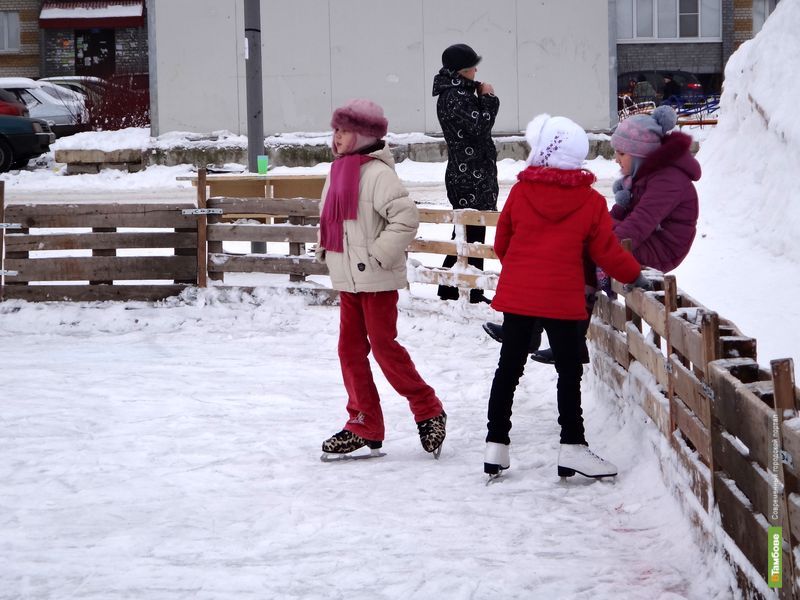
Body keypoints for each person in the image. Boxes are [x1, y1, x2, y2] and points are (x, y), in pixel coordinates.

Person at [483, 114, 649, 480]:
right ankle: (572, 446)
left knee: (508, 368)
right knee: (568, 371)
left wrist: (525, 274)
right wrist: (634, 275)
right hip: (563, 299)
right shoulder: (589, 202)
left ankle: (496, 445)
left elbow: (502, 244)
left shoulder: (521, 193)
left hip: (519, 296)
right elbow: (606, 251)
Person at [483, 105, 701, 364]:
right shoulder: (645, 175)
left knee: (582, 255)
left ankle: (562, 340)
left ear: (641, 154)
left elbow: (639, 225)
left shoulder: (667, 180)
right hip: (644, 238)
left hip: (662, 246)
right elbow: (618, 216)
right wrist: (591, 231)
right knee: (576, 251)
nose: (617, 160)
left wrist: (594, 239)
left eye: (621, 153)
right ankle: (553, 337)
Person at [316, 99, 447, 460]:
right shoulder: (337, 171)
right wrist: (324, 250)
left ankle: (428, 409)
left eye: (343, 131)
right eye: (335, 130)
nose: (336, 136)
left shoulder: (378, 174)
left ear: (362, 136)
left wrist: (378, 255)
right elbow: (331, 219)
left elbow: (405, 219)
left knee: (385, 349)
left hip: (376, 281)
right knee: (350, 351)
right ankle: (364, 423)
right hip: (348, 281)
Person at [432, 43, 500, 304]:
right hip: (468, 176)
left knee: (470, 233)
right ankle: (460, 289)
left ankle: (464, 288)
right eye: (473, 66)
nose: (476, 70)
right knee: (470, 234)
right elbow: (480, 126)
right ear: (462, 70)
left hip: (473, 173)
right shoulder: (455, 97)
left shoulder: (460, 91)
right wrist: (489, 98)